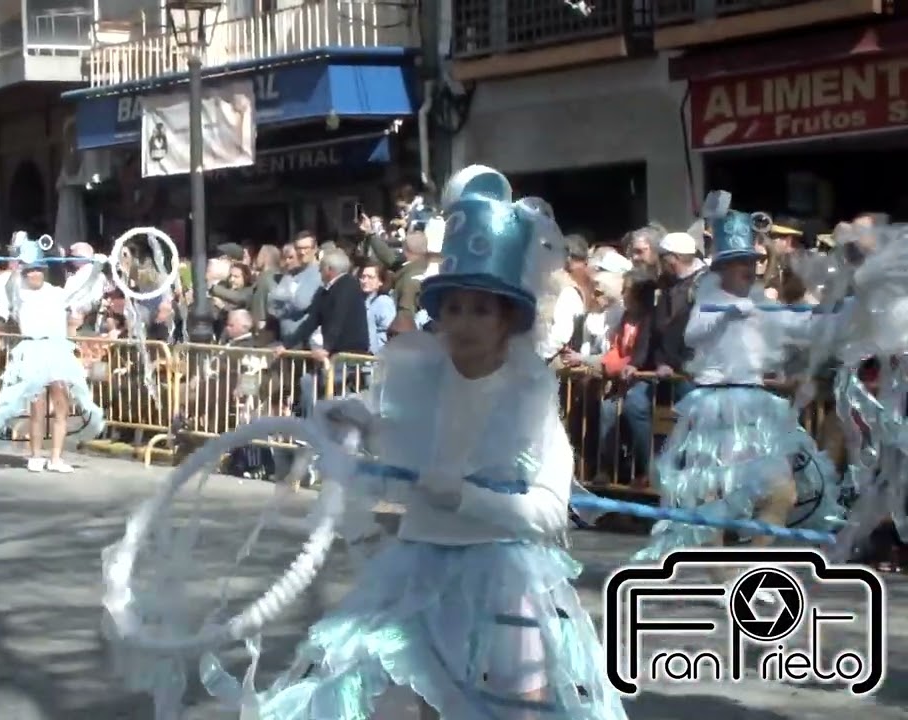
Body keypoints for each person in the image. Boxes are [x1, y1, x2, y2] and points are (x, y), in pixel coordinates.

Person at [201, 166, 627, 719]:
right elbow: (386, 461)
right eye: (454, 307)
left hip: (501, 576)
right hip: (417, 567)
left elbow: (550, 510)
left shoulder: (529, 397)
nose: (465, 322)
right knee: (417, 703)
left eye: (481, 308)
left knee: (516, 709)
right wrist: (346, 426)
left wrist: (469, 497)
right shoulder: (417, 381)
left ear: (507, 319)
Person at [634, 208, 843, 569]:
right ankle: (722, 576)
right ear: (723, 267)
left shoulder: (762, 302)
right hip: (717, 403)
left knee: (783, 492)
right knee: (715, 495)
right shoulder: (709, 300)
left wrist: (843, 315)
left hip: (757, 406)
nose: (751, 265)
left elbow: (800, 327)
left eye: (753, 259)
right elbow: (692, 334)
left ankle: (754, 567)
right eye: (741, 260)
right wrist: (729, 313)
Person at [0, 236, 106, 473]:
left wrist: (96, 268)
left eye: (39, 270)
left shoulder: (56, 292)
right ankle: (35, 455)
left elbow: (83, 291)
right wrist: (20, 256)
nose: (36, 274)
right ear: (24, 272)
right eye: (31, 270)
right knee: (37, 406)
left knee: (62, 404)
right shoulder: (19, 294)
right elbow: (10, 285)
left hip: (56, 349)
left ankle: (56, 457)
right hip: (33, 350)